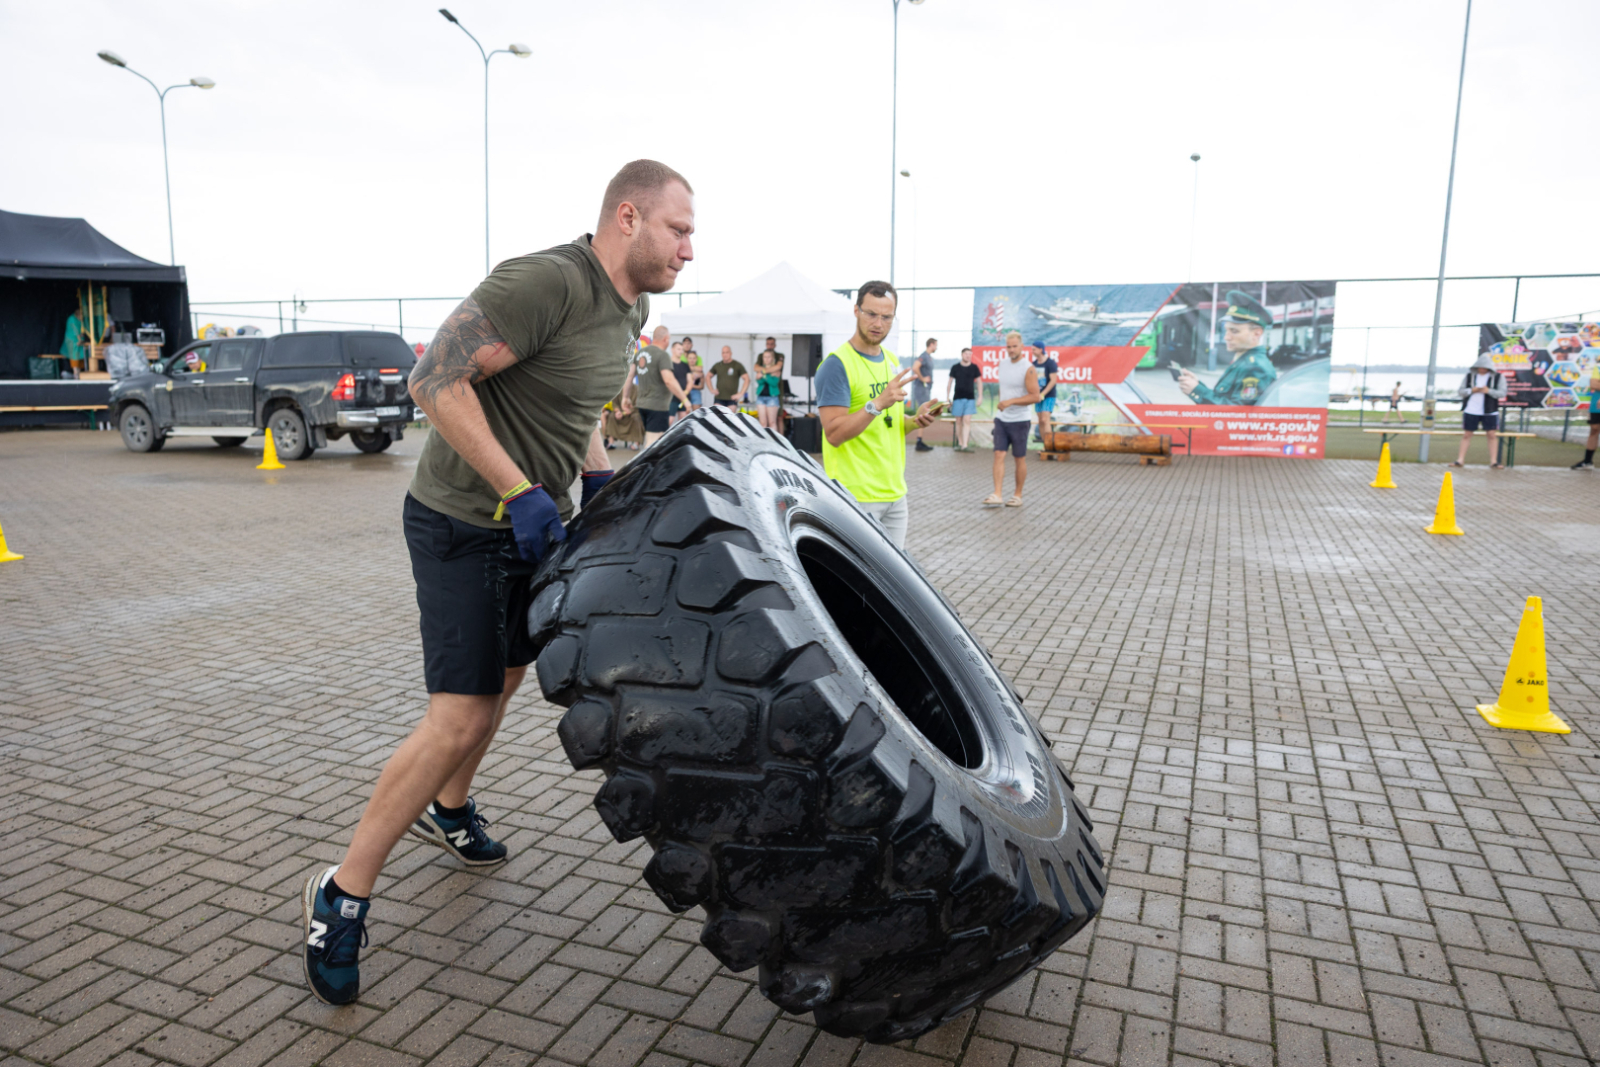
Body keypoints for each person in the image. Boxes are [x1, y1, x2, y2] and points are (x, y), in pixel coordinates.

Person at [299, 159, 692, 1007]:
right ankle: (343, 890)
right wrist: (518, 488)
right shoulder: (545, 281)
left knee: (508, 681)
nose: (689, 249)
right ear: (629, 217)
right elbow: (432, 379)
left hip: (530, 522)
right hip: (463, 522)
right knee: (460, 713)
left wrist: (595, 474)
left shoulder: (635, 306)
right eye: (679, 229)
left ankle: (451, 806)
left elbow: (572, 401)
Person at [816, 281, 938, 546]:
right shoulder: (836, 365)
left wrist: (915, 421)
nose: (878, 323)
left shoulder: (891, 361)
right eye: (871, 314)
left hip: (896, 495)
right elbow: (834, 433)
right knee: (856, 584)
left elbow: (888, 424)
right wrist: (876, 404)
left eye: (886, 317)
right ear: (856, 311)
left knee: (889, 584)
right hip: (856, 497)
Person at [1177, 290, 1277, 405]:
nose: (1226, 337)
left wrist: (1197, 391)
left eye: (1234, 331)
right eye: (1226, 330)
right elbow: (1223, 398)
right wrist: (1197, 385)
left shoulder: (1255, 368)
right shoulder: (1244, 361)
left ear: (1256, 333)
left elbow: (1237, 414)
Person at [984, 331, 1040, 507]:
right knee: (998, 454)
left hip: (1020, 420)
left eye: (1014, 346)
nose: (1011, 350)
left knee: (1019, 458)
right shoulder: (1002, 364)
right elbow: (1005, 389)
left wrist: (1010, 402)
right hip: (1002, 419)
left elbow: (1035, 396)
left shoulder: (1028, 368)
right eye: (1008, 346)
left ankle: (1017, 495)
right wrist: (1004, 403)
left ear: (1022, 346)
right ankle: (997, 494)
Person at [629, 325, 690, 446]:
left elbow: (630, 376)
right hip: (657, 406)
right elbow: (669, 380)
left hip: (642, 404)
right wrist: (685, 399)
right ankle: (647, 464)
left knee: (658, 441)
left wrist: (625, 398)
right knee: (652, 442)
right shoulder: (663, 355)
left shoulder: (640, 353)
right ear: (666, 339)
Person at [1455, 354, 1507, 469]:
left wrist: (1488, 391)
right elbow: (1461, 391)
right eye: (1480, 366)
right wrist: (1472, 390)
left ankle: (1494, 461)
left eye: (1485, 367)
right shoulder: (1469, 376)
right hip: (1471, 410)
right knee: (1467, 434)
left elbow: (1502, 393)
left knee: (1491, 435)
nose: (1482, 369)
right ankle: (1460, 460)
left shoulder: (1498, 377)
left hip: (1490, 410)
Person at [946, 346, 982, 451]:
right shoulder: (955, 367)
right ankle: (960, 443)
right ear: (962, 355)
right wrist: (948, 398)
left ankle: (965, 445)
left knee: (967, 420)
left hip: (970, 398)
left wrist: (980, 396)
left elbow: (979, 382)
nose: (968, 356)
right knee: (958, 421)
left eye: (970, 354)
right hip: (957, 398)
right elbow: (949, 383)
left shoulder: (974, 367)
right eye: (966, 354)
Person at [911, 338, 937, 452]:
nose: (937, 347)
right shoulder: (924, 356)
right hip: (921, 389)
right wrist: (922, 379)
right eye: (936, 345)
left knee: (925, 413)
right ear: (931, 344)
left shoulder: (929, 357)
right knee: (924, 413)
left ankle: (920, 440)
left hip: (925, 389)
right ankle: (919, 441)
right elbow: (915, 367)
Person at [753, 338, 785, 430]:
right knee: (762, 422)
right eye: (768, 344)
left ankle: (777, 442)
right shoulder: (760, 356)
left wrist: (762, 373)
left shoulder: (779, 355)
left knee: (774, 421)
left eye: (772, 344)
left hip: (773, 395)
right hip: (761, 396)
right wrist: (769, 372)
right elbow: (758, 377)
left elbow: (774, 380)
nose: (770, 346)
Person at [1572, 365, 1599, 470]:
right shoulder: (1598, 368)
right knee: (1594, 430)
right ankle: (1587, 461)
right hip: (1596, 406)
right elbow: (1594, 384)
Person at [1031, 345, 1058, 443]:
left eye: (1034, 349)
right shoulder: (1033, 364)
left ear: (1040, 349)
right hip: (1037, 396)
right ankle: (1045, 446)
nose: (1032, 351)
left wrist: (1043, 394)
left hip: (1049, 395)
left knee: (1045, 418)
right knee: (1040, 421)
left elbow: (1053, 381)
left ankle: (1050, 446)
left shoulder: (1050, 363)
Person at [668, 340, 693, 422]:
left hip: (684, 398)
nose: (681, 351)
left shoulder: (685, 365)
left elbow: (690, 381)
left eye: (682, 349)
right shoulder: (667, 364)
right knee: (669, 421)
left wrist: (685, 393)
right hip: (671, 398)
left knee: (683, 423)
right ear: (672, 349)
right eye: (678, 349)